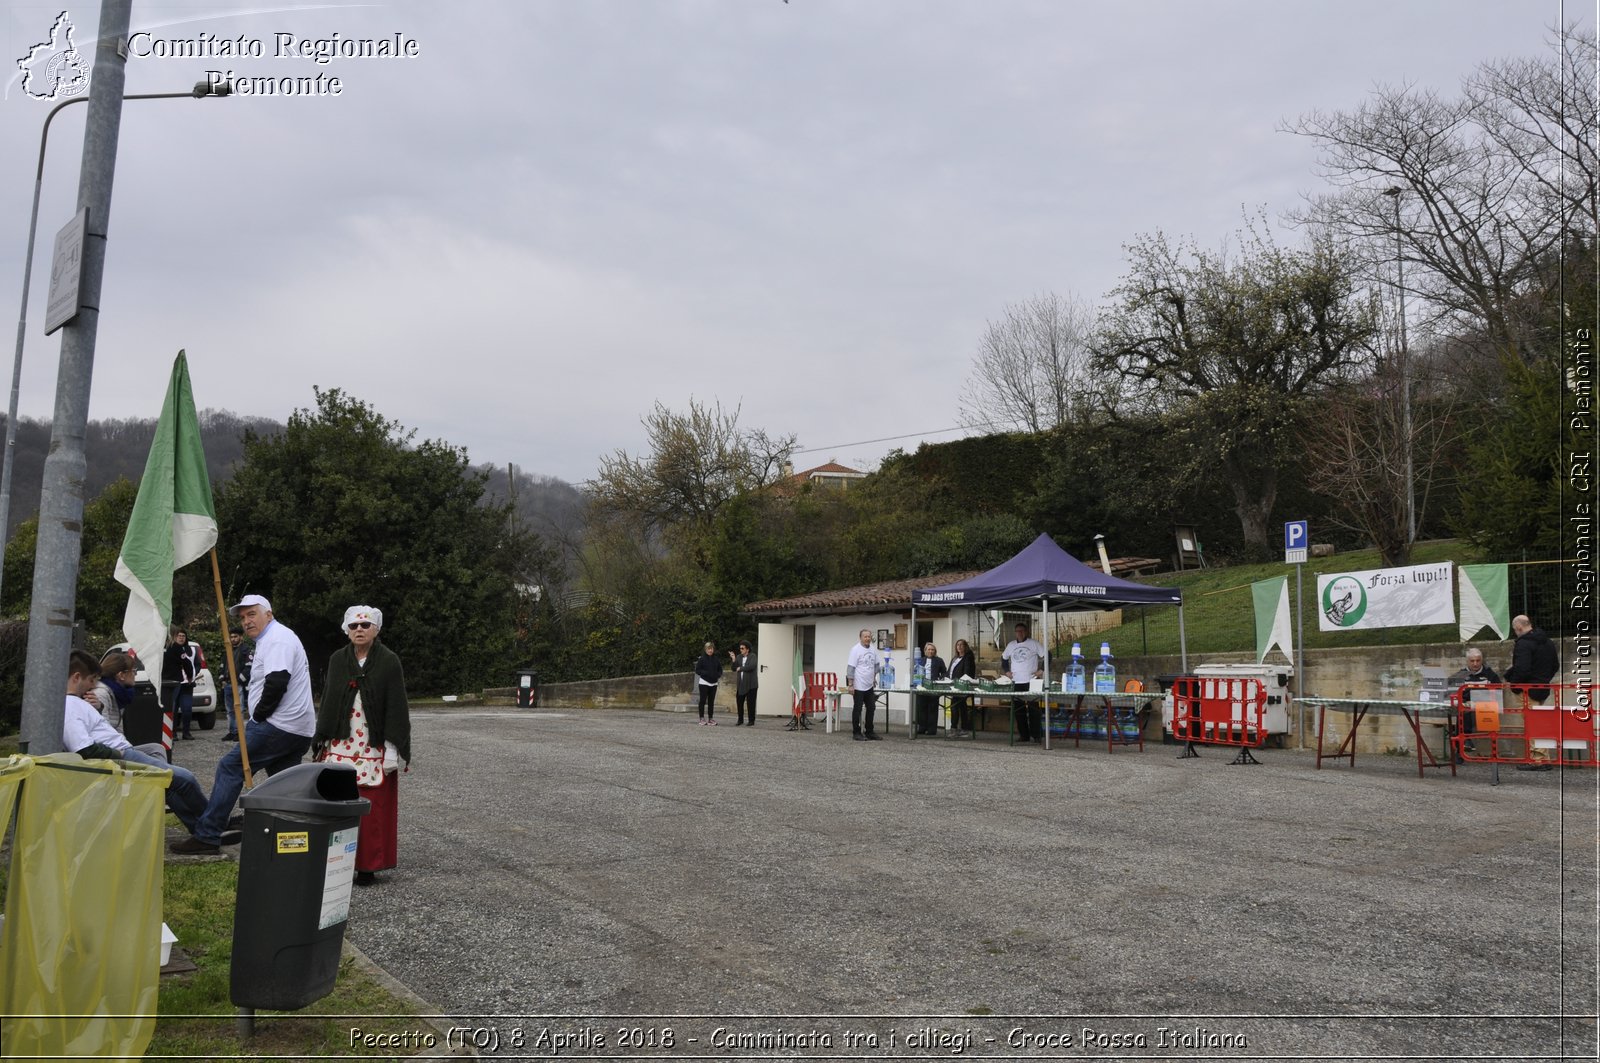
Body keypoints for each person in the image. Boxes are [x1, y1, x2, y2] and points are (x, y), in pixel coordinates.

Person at [172, 595, 315, 854]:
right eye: (242, 617)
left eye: (252, 614)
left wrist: (258, 717)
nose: (246, 621)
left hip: (278, 726)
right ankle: (297, 842)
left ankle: (208, 835)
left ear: (268, 614)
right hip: (296, 728)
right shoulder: (274, 638)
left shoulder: (277, 639)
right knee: (286, 787)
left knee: (230, 767)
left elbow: (277, 682)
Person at [64, 650, 209, 836]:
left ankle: (203, 831)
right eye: (91, 680)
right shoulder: (71, 705)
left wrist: (98, 709)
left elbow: (95, 730)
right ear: (76, 677)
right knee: (185, 779)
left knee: (168, 779)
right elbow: (84, 747)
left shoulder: (80, 701)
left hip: (122, 752)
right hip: (120, 756)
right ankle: (212, 826)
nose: (93, 686)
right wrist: (119, 754)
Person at [315, 605, 411, 887]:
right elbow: (331, 702)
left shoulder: (389, 661)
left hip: (373, 748)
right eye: (354, 626)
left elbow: (396, 706)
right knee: (338, 803)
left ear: (376, 630)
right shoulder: (337, 660)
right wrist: (322, 740)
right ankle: (337, 863)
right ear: (346, 629)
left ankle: (367, 866)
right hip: (341, 745)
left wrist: (392, 749)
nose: (359, 630)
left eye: (366, 625)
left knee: (371, 809)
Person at [1504, 614, 1560, 771]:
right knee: (1539, 723)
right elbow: (1555, 665)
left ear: (1519, 627)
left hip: (1527, 689)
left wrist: (1514, 684)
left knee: (1532, 724)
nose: (1516, 633)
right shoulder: (1547, 642)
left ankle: (1537, 759)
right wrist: (1543, 679)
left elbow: (1522, 668)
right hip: (1542, 688)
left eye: (1515, 630)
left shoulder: (1523, 644)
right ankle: (1544, 758)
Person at [92, 651, 166, 760]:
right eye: (133, 671)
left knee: (157, 749)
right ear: (121, 675)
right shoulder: (101, 694)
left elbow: (118, 729)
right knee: (157, 753)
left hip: (117, 747)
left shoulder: (118, 694)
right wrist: (128, 751)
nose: (135, 674)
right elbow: (103, 733)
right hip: (109, 752)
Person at [1447, 648, 1502, 760]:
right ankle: (1461, 749)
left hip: (1485, 707)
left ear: (1482, 660)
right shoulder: (1460, 675)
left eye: (1478, 660)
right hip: (1467, 707)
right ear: (1467, 661)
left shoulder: (1490, 674)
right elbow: (1451, 692)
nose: (1475, 663)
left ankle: (1466, 742)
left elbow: (1498, 692)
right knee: (1464, 711)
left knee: (1466, 712)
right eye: (1472, 661)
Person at [1003, 622, 1046, 743]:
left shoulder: (1034, 643)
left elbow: (1047, 655)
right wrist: (1007, 671)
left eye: (1022, 631)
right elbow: (1004, 659)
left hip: (1031, 681)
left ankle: (1036, 735)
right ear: (1015, 633)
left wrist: (1041, 670)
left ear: (1026, 631)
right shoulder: (1011, 645)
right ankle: (1024, 735)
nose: (1020, 633)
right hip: (1017, 682)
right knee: (1018, 710)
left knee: (1034, 709)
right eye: (1017, 631)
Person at [846, 628, 882, 741]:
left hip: (869, 685)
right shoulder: (855, 649)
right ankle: (856, 732)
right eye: (865, 636)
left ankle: (869, 731)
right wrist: (850, 685)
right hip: (858, 685)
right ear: (860, 637)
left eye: (869, 636)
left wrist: (874, 677)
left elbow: (876, 665)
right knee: (857, 709)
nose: (867, 638)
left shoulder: (873, 649)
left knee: (871, 707)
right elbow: (850, 668)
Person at [162, 628, 198, 740]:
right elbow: (186, 663)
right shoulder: (175, 647)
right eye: (179, 635)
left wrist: (191, 676)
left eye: (183, 636)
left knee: (185, 709)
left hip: (183, 684)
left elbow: (193, 663)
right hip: (173, 681)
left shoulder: (191, 649)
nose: (181, 638)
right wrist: (190, 675)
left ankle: (184, 733)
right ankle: (171, 734)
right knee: (171, 708)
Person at [218, 628, 249, 741]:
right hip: (227, 684)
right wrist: (222, 679)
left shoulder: (246, 650)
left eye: (235, 636)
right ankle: (232, 732)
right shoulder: (228, 650)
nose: (233, 639)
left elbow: (248, 667)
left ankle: (239, 734)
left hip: (239, 685)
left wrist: (239, 681)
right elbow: (222, 666)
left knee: (239, 709)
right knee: (229, 710)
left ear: (241, 637)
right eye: (231, 637)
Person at [914, 641, 948, 736]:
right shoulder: (920, 660)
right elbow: (915, 671)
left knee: (933, 708)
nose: (931, 651)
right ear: (925, 650)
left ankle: (932, 730)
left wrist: (940, 679)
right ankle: (922, 728)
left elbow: (945, 672)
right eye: (929, 649)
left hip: (933, 686)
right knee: (922, 708)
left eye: (932, 649)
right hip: (922, 686)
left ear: (935, 651)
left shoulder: (939, 660)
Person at [947, 638, 978, 737]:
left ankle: (956, 728)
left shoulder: (968, 658)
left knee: (956, 706)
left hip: (962, 686)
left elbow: (967, 673)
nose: (959, 647)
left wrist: (960, 683)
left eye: (961, 645)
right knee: (959, 706)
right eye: (957, 645)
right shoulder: (954, 659)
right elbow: (949, 672)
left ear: (965, 647)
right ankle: (960, 728)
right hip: (953, 686)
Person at [730, 640, 759, 726]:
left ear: (747, 649)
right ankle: (740, 720)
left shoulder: (753, 656)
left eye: (742, 648)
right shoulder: (739, 657)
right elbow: (734, 668)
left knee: (751, 703)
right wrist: (734, 659)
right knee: (739, 702)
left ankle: (751, 720)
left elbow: (751, 666)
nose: (741, 650)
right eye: (740, 648)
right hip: (741, 684)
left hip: (751, 684)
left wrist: (741, 668)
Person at [694, 641, 723, 725]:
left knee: (711, 702)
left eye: (712, 649)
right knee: (702, 701)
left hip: (714, 683)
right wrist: (705, 673)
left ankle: (710, 719)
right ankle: (702, 718)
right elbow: (697, 670)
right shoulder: (702, 659)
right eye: (709, 649)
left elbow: (720, 670)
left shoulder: (716, 659)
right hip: (704, 683)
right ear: (705, 649)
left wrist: (717, 675)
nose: (710, 650)